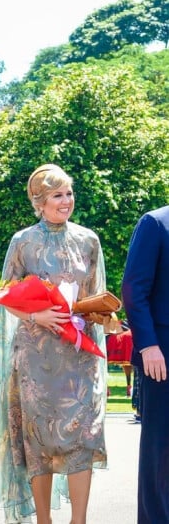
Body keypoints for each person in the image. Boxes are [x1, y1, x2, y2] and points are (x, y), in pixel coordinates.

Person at [0, 164, 108, 524]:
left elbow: (95, 294)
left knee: (83, 437)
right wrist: (35, 317)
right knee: (38, 441)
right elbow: (4, 296)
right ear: (39, 202)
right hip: (35, 360)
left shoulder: (89, 240)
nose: (66, 201)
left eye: (69, 193)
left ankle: (80, 520)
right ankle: (43, 520)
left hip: (78, 356)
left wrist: (104, 314)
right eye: (58, 195)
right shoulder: (22, 242)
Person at [121, 205, 169, 523]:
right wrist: (148, 344)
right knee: (160, 448)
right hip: (162, 355)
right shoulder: (155, 223)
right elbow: (133, 289)